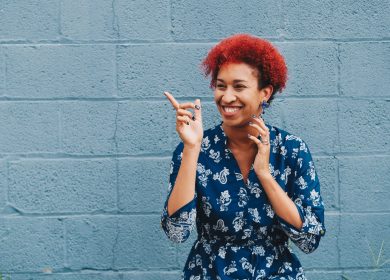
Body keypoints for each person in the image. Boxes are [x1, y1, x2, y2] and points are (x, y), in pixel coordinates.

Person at [160, 33, 326, 279]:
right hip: (209, 272)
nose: (226, 97)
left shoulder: (291, 150)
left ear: (265, 93)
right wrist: (192, 149)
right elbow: (177, 232)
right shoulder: (194, 148)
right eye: (220, 86)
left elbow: (309, 240)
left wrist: (265, 175)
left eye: (239, 86)